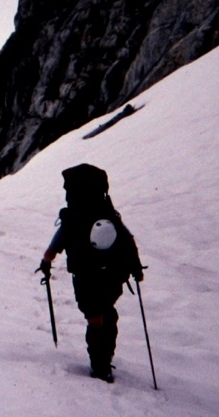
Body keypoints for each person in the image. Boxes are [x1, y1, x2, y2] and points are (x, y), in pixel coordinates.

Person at [36, 163, 144, 384]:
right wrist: (135, 267)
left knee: (97, 319)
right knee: (107, 316)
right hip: (112, 275)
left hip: (86, 277)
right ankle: (102, 362)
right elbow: (126, 239)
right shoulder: (107, 214)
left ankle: (99, 363)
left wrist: (46, 262)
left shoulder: (72, 219)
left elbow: (55, 245)